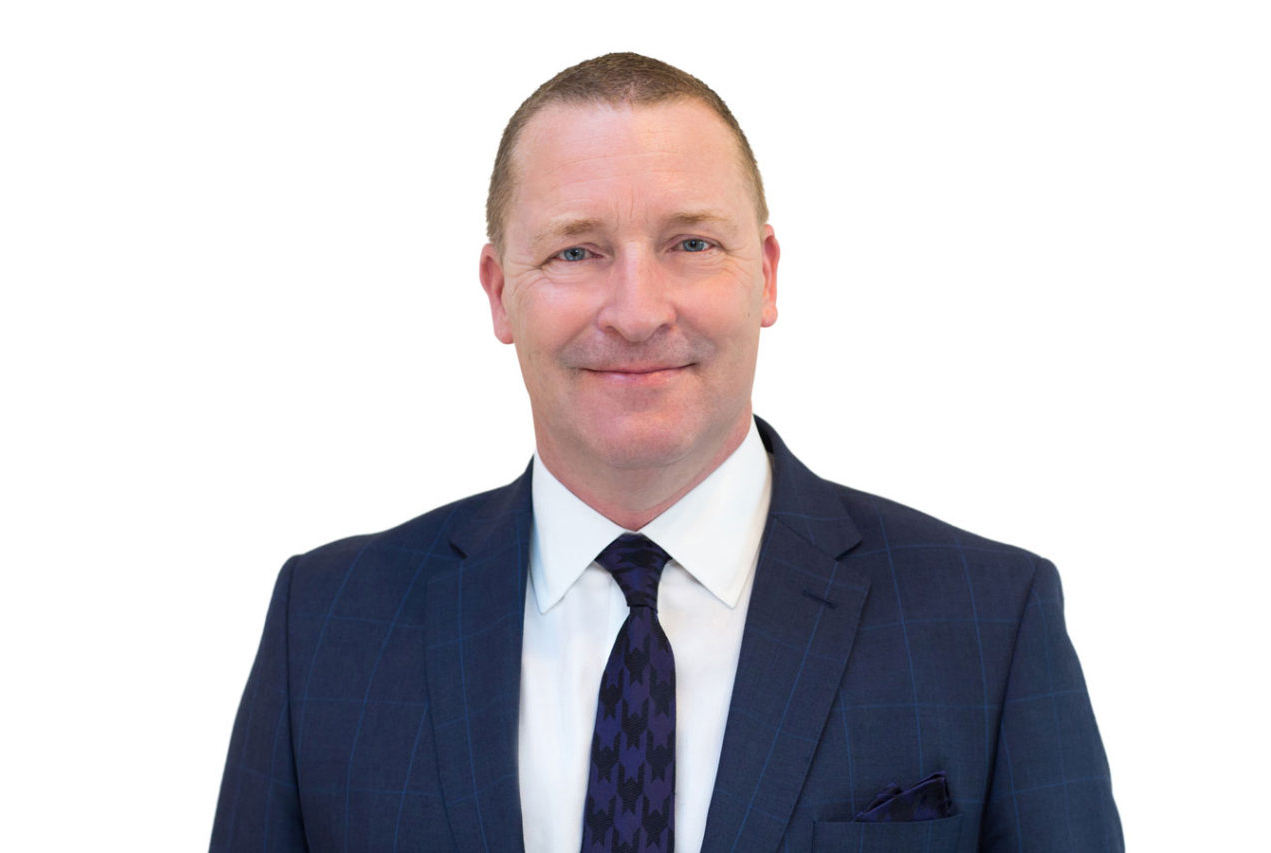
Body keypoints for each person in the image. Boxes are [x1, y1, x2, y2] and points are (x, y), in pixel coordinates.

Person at [209, 53, 1122, 852]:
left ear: (766, 275)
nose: (638, 312)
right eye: (577, 252)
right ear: (498, 293)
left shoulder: (989, 623)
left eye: (691, 243)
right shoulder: (325, 629)